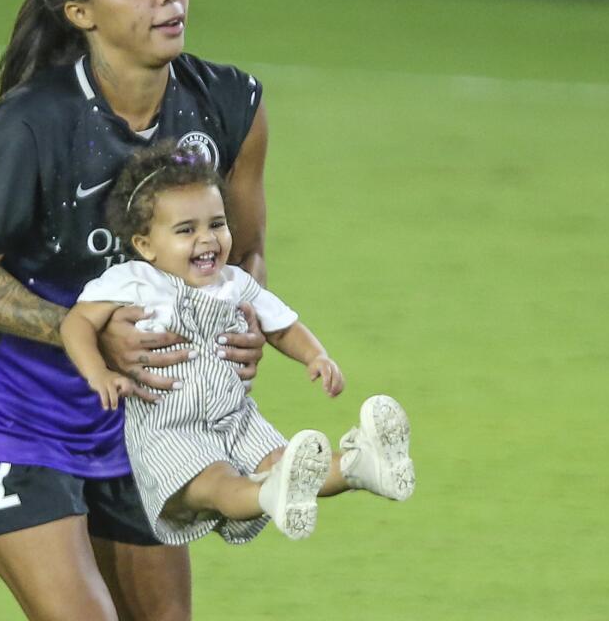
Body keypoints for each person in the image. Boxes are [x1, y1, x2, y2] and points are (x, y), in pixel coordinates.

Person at [0, 0, 271, 621]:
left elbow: (244, 253)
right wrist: (87, 332)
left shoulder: (229, 105)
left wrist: (246, 319)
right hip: (18, 416)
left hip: (145, 418)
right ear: (81, 10)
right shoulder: (36, 123)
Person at [61, 141, 416, 545]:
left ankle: (365, 466)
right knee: (217, 482)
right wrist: (98, 373)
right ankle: (271, 493)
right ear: (145, 245)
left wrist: (315, 355)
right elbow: (76, 324)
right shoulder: (132, 282)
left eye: (216, 224)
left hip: (236, 416)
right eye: (186, 230)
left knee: (292, 464)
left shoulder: (235, 282)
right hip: (169, 429)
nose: (207, 239)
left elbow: (282, 325)